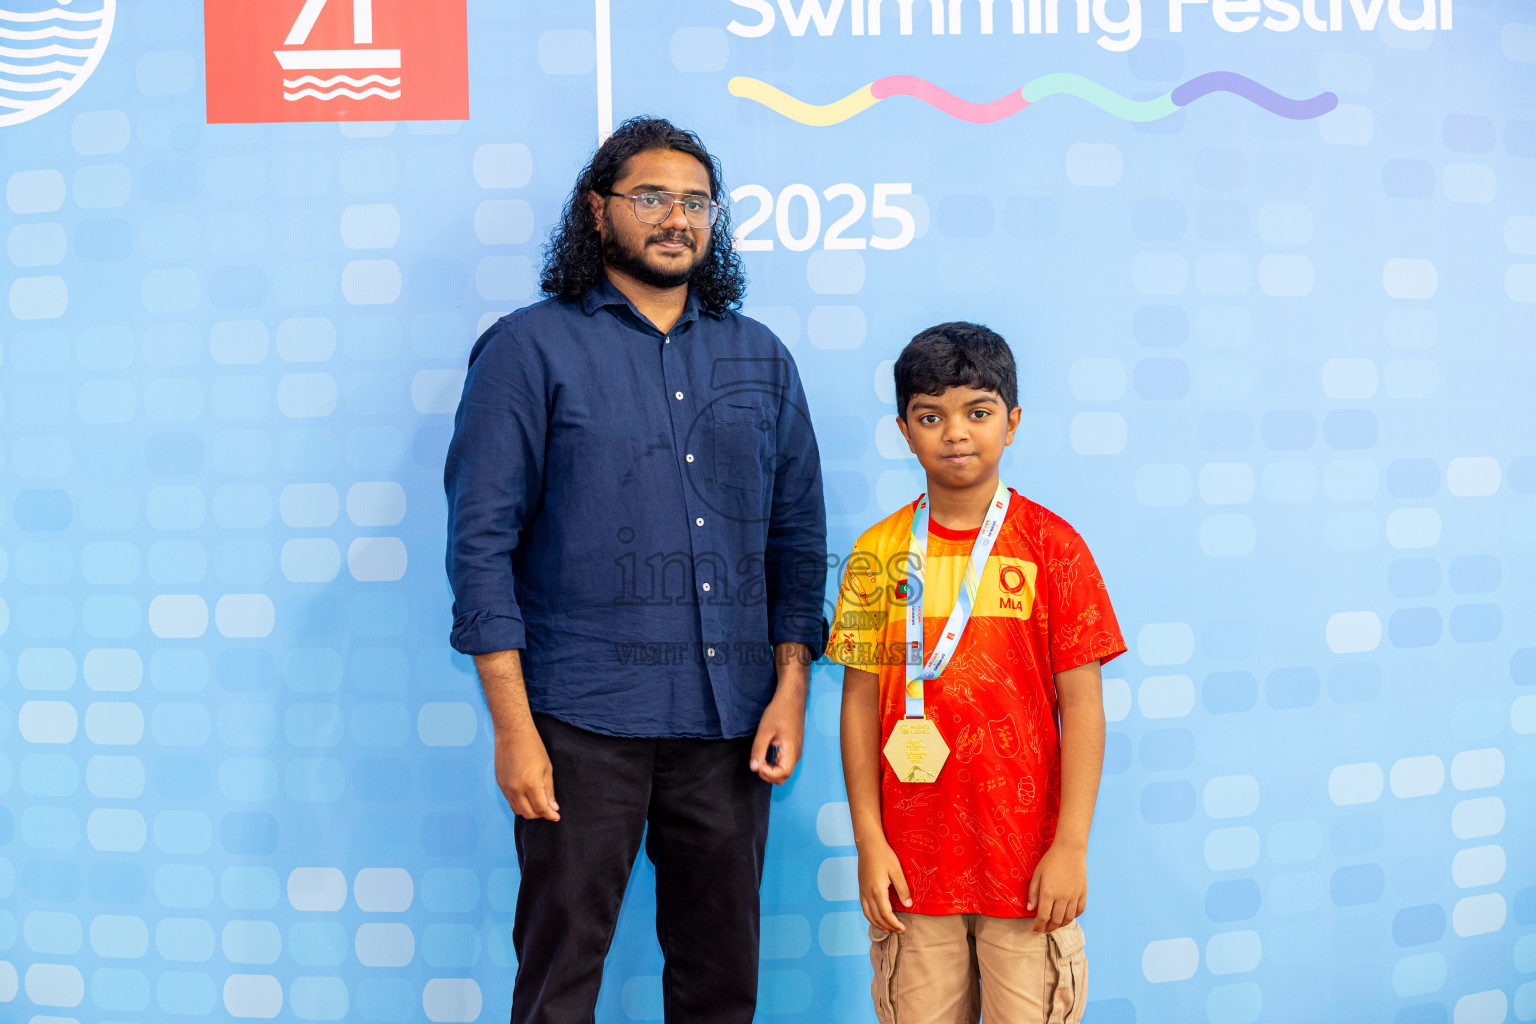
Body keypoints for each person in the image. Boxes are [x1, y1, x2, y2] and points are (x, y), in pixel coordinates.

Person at [443, 117, 827, 1024]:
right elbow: (479, 548)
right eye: (651, 197)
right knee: (559, 982)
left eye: (695, 202)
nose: (676, 218)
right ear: (598, 210)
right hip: (579, 722)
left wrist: (790, 690)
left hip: (732, 728)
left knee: (720, 984)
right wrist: (513, 728)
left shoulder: (759, 357)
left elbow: (798, 538)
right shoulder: (528, 350)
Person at [828, 322, 1125, 1024]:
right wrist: (870, 843)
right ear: (904, 430)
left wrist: (1071, 847)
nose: (955, 433)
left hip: (1026, 873)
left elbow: (1082, 708)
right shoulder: (878, 555)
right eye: (931, 416)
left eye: (978, 412)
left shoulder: (1053, 549)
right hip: (913, 872)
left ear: (1013, 422)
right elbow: (859, 706)